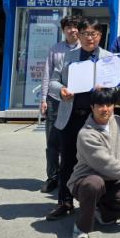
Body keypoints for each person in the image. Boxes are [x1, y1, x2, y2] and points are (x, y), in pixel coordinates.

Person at [46, 19, 113, 221]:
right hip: (72, 116)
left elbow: (117, 87)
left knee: (99, 161)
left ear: (100, 36)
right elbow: (53, 82)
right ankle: (65, 202)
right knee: (67, 161)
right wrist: (62, 90)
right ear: (79, 35)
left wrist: (106, 88)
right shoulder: (68, 56)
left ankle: (99, 203)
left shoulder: (108, 58)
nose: (89, 38)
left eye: (94, 34)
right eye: (85, 33)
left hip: (97, 119)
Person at [67, 88, 120, 238]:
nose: (105, 109)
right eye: (100, 105)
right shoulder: (86, 134)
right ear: (92, 107)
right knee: (94, 184)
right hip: (85, 181)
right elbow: (108, 165)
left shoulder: (119, 122)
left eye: (109, 104)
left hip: (111, 180)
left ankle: (102, 214)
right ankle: (81, 226)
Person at [40, 15, 82, 194]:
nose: (72, 30)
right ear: (63, 30)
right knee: (52, 142)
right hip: (55, 100)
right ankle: (52, 177)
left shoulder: (85, 49)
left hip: (76, 101)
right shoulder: (55, 49)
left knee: (75, 141)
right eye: (68, 27)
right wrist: (43, 99)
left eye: (75, 27)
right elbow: (47, 74)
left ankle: (73, 176)